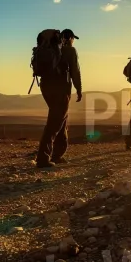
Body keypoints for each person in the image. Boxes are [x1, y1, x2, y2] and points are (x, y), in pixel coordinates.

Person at [35, 29, 82, 168]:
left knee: (61, 118)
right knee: (55, 122)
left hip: (46, 87)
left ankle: (57, 155)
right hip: (61, 88)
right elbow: (75, 71)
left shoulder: (51, 50)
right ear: (70, 38)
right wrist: (79, 89)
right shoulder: (70, 51)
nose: (73, 41)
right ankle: (43, 158)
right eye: (73, 39)